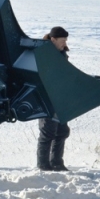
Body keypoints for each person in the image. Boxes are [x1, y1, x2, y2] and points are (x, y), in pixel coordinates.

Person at [37, 26, 71, 171]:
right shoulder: (43, 54)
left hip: (60, 98)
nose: (65, 43)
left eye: (66, 40)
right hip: (46, 98)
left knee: (62, 131)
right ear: (53, 39)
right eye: (62, 40)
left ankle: (57, 162)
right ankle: (43, 164)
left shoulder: (62, 54)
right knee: (48, 131)